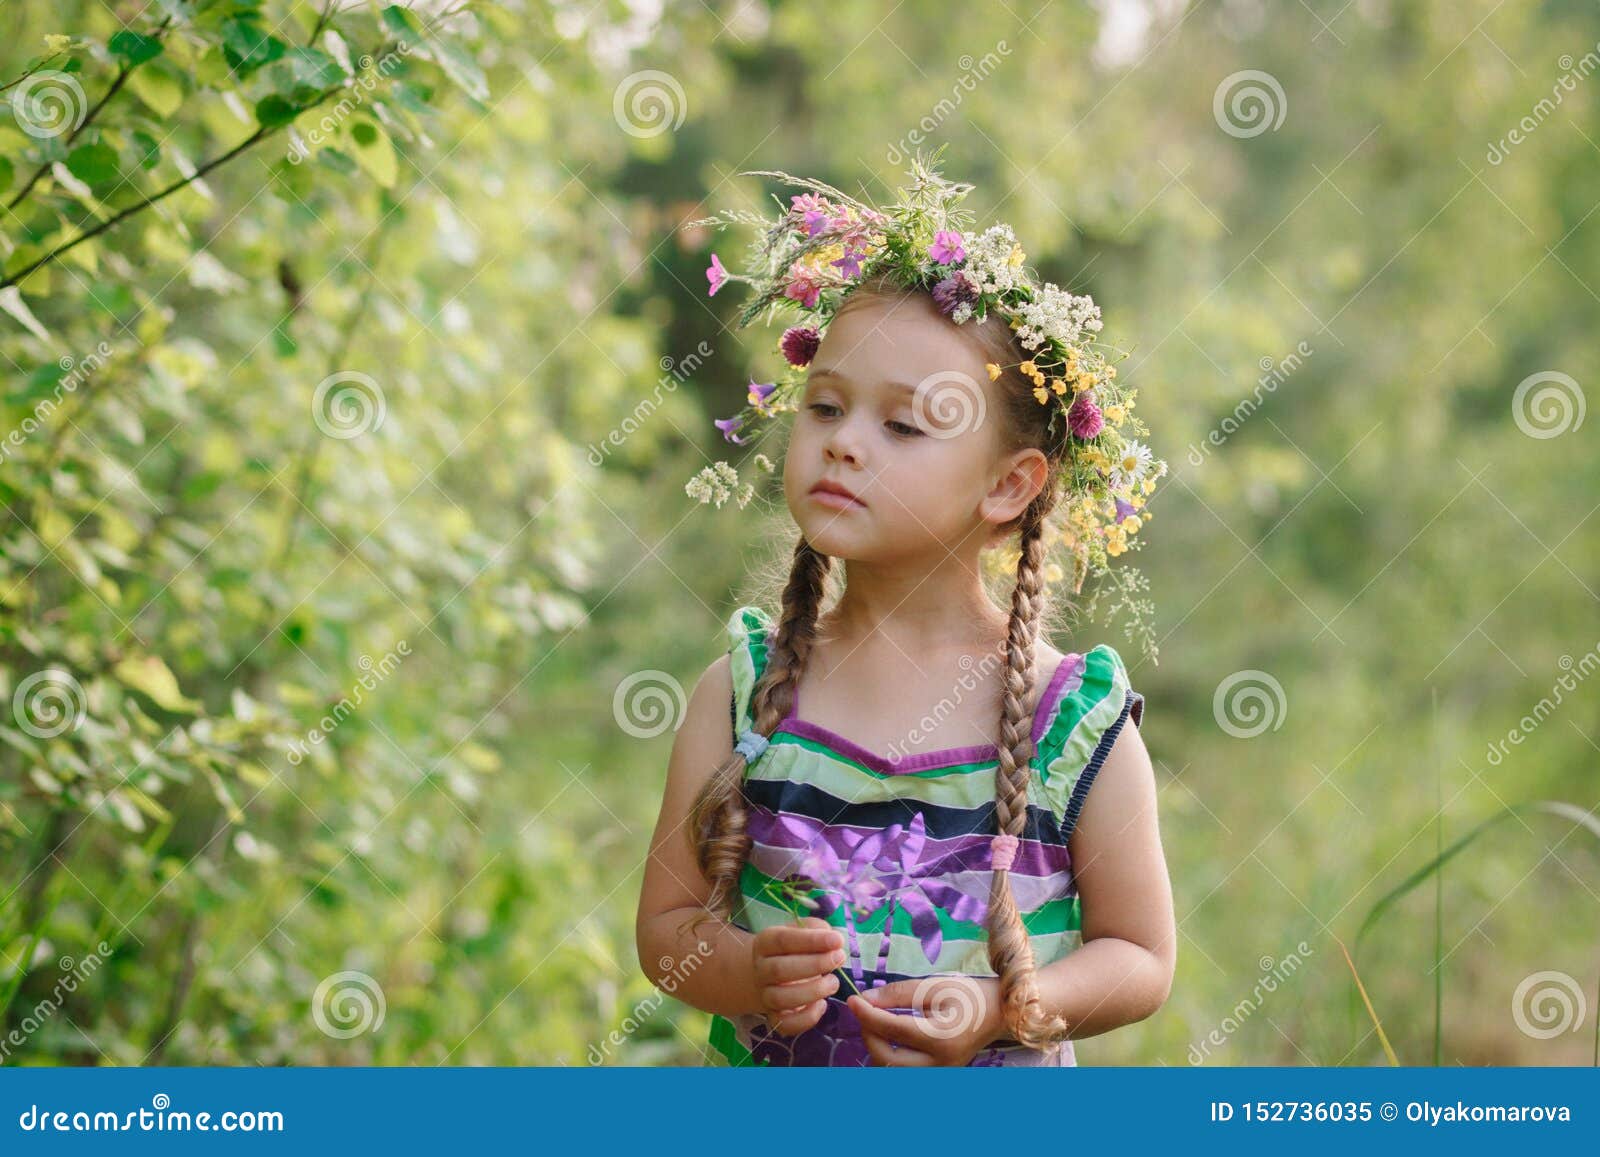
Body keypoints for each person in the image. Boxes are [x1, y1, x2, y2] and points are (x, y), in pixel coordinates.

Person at [637, 156, 1175, 1066]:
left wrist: (1003, 1006)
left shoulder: (1070, 723)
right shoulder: (741, 691)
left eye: (902, 425)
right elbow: (666, 932)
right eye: (827, 406)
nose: (843, 442)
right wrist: (748, 971)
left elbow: (1142, 957)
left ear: (1008, 485)